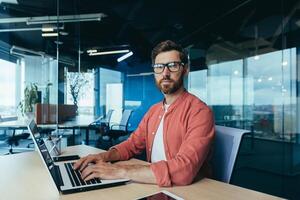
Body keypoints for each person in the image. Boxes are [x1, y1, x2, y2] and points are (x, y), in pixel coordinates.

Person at [74, 40, 215, 187]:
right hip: (152, 183)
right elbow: (132, 144)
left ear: (185, 69)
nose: (165, 73)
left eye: (173, 66)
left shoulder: (200, 112)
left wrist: (120, 171)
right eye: (159, 67)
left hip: (187, 191)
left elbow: (184, 170)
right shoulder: (154, 110)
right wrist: (102, 156)